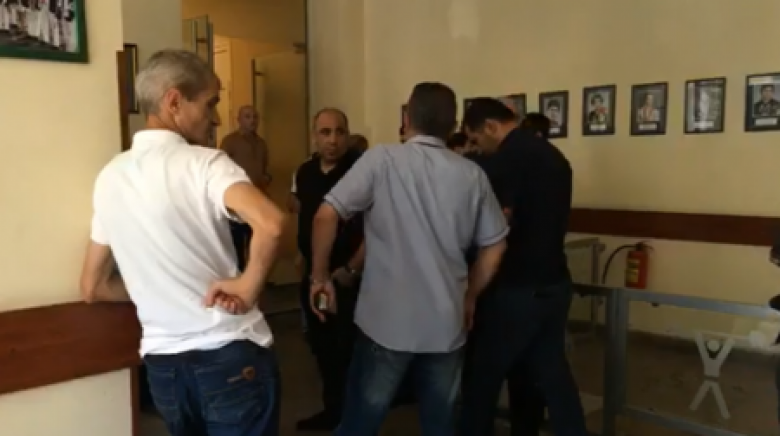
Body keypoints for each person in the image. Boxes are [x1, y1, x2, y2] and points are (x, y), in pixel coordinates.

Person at [78, 49, 286, 436]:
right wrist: (249, 284)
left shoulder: (109, 178)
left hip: (164, 369)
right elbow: (271, 222)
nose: (216, 118)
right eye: (210, 103)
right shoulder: (206, 163)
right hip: (228, 353)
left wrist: (159, 289)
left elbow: (93, 286)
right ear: (174, 101)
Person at [309, 82, 508, 436]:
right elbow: (495, 245)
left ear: (407, 119)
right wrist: (470, 296)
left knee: (360, 421)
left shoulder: (382, 160)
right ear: (454, 125)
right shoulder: (471, 175)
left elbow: (327, 215)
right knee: (440, 423)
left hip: (385, 322)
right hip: (446, 322)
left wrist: (320, 276)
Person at [460, 98, 587, 436]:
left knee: (482, 378)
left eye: (475, 138)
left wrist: (472, 290)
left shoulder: (506, 161)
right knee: (555, 377)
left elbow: (498, 228)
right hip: (554, 282)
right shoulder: (554, 156)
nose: (477, 148)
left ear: (490, 126)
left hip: (516, 288)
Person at [294, 108, 365, 431]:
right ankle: (332, 411)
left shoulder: (359, 170)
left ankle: (354, 420)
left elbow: (377, 227)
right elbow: (304, 217)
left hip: (348, 278)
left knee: (349, 350)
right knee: (323, 347)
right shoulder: (306, 172)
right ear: (314, 136)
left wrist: (352, 268)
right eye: (325, 132)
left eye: (339, 132)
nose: (333, 140)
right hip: (315, 278)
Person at [220, 105, 270, 271]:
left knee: (257, 245)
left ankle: (254, 278)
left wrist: (266, 178)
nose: (252, 121)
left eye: (255, 117)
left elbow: (264, 168)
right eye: (248, 117)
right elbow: (221, 168)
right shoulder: (230, 141)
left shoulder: (262, 144)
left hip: (257, 200)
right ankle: (238, 278)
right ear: (239, 120)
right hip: (237, 203)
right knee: (236, 247)